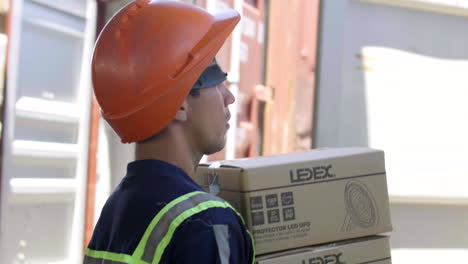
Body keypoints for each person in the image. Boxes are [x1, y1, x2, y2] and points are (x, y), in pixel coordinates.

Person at [84, 0, 255, 263]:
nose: (229, 97)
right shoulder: (206, 222)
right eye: (216, 80)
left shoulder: (117, 208)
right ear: (180, 105)